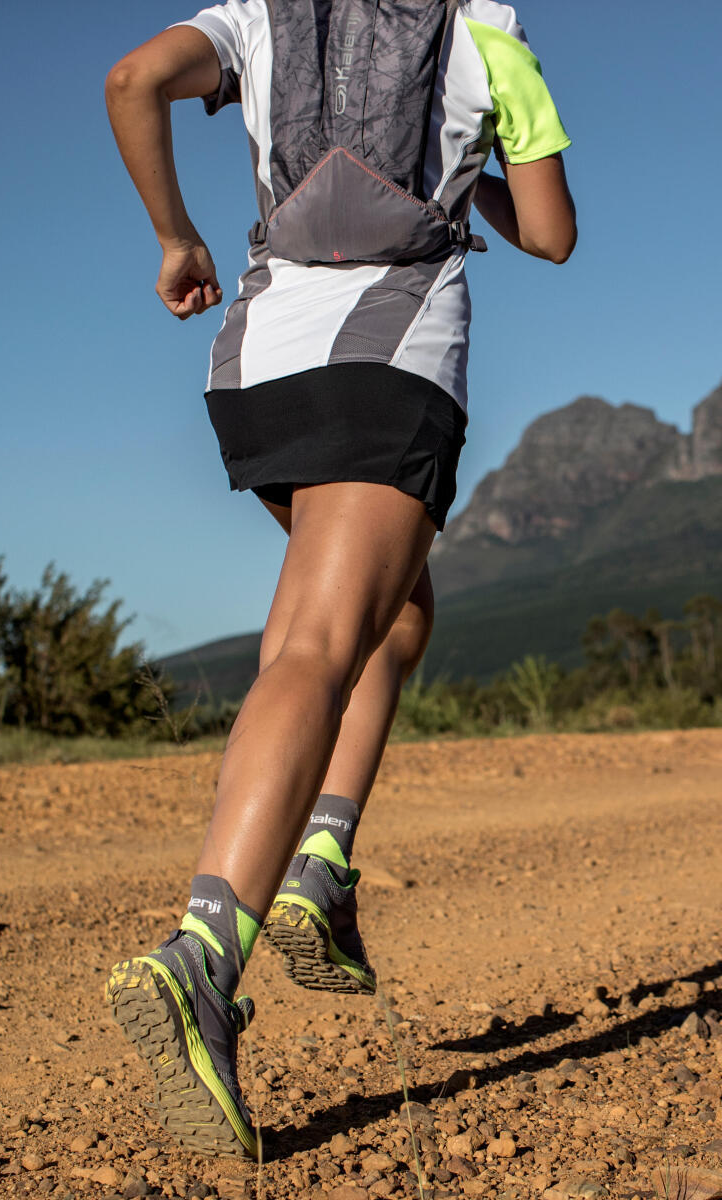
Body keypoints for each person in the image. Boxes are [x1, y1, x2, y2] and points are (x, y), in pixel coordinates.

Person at [101, 0, 576, 1159]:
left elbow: (131, 81)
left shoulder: (262, 16)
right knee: (317, 646)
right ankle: (203, 960)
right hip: (391, 352)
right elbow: (554, 235)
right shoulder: (489, 39)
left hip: (260, 368)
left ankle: (322, 858)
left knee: (397, 609)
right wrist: (478, 174)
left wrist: (177, 235)